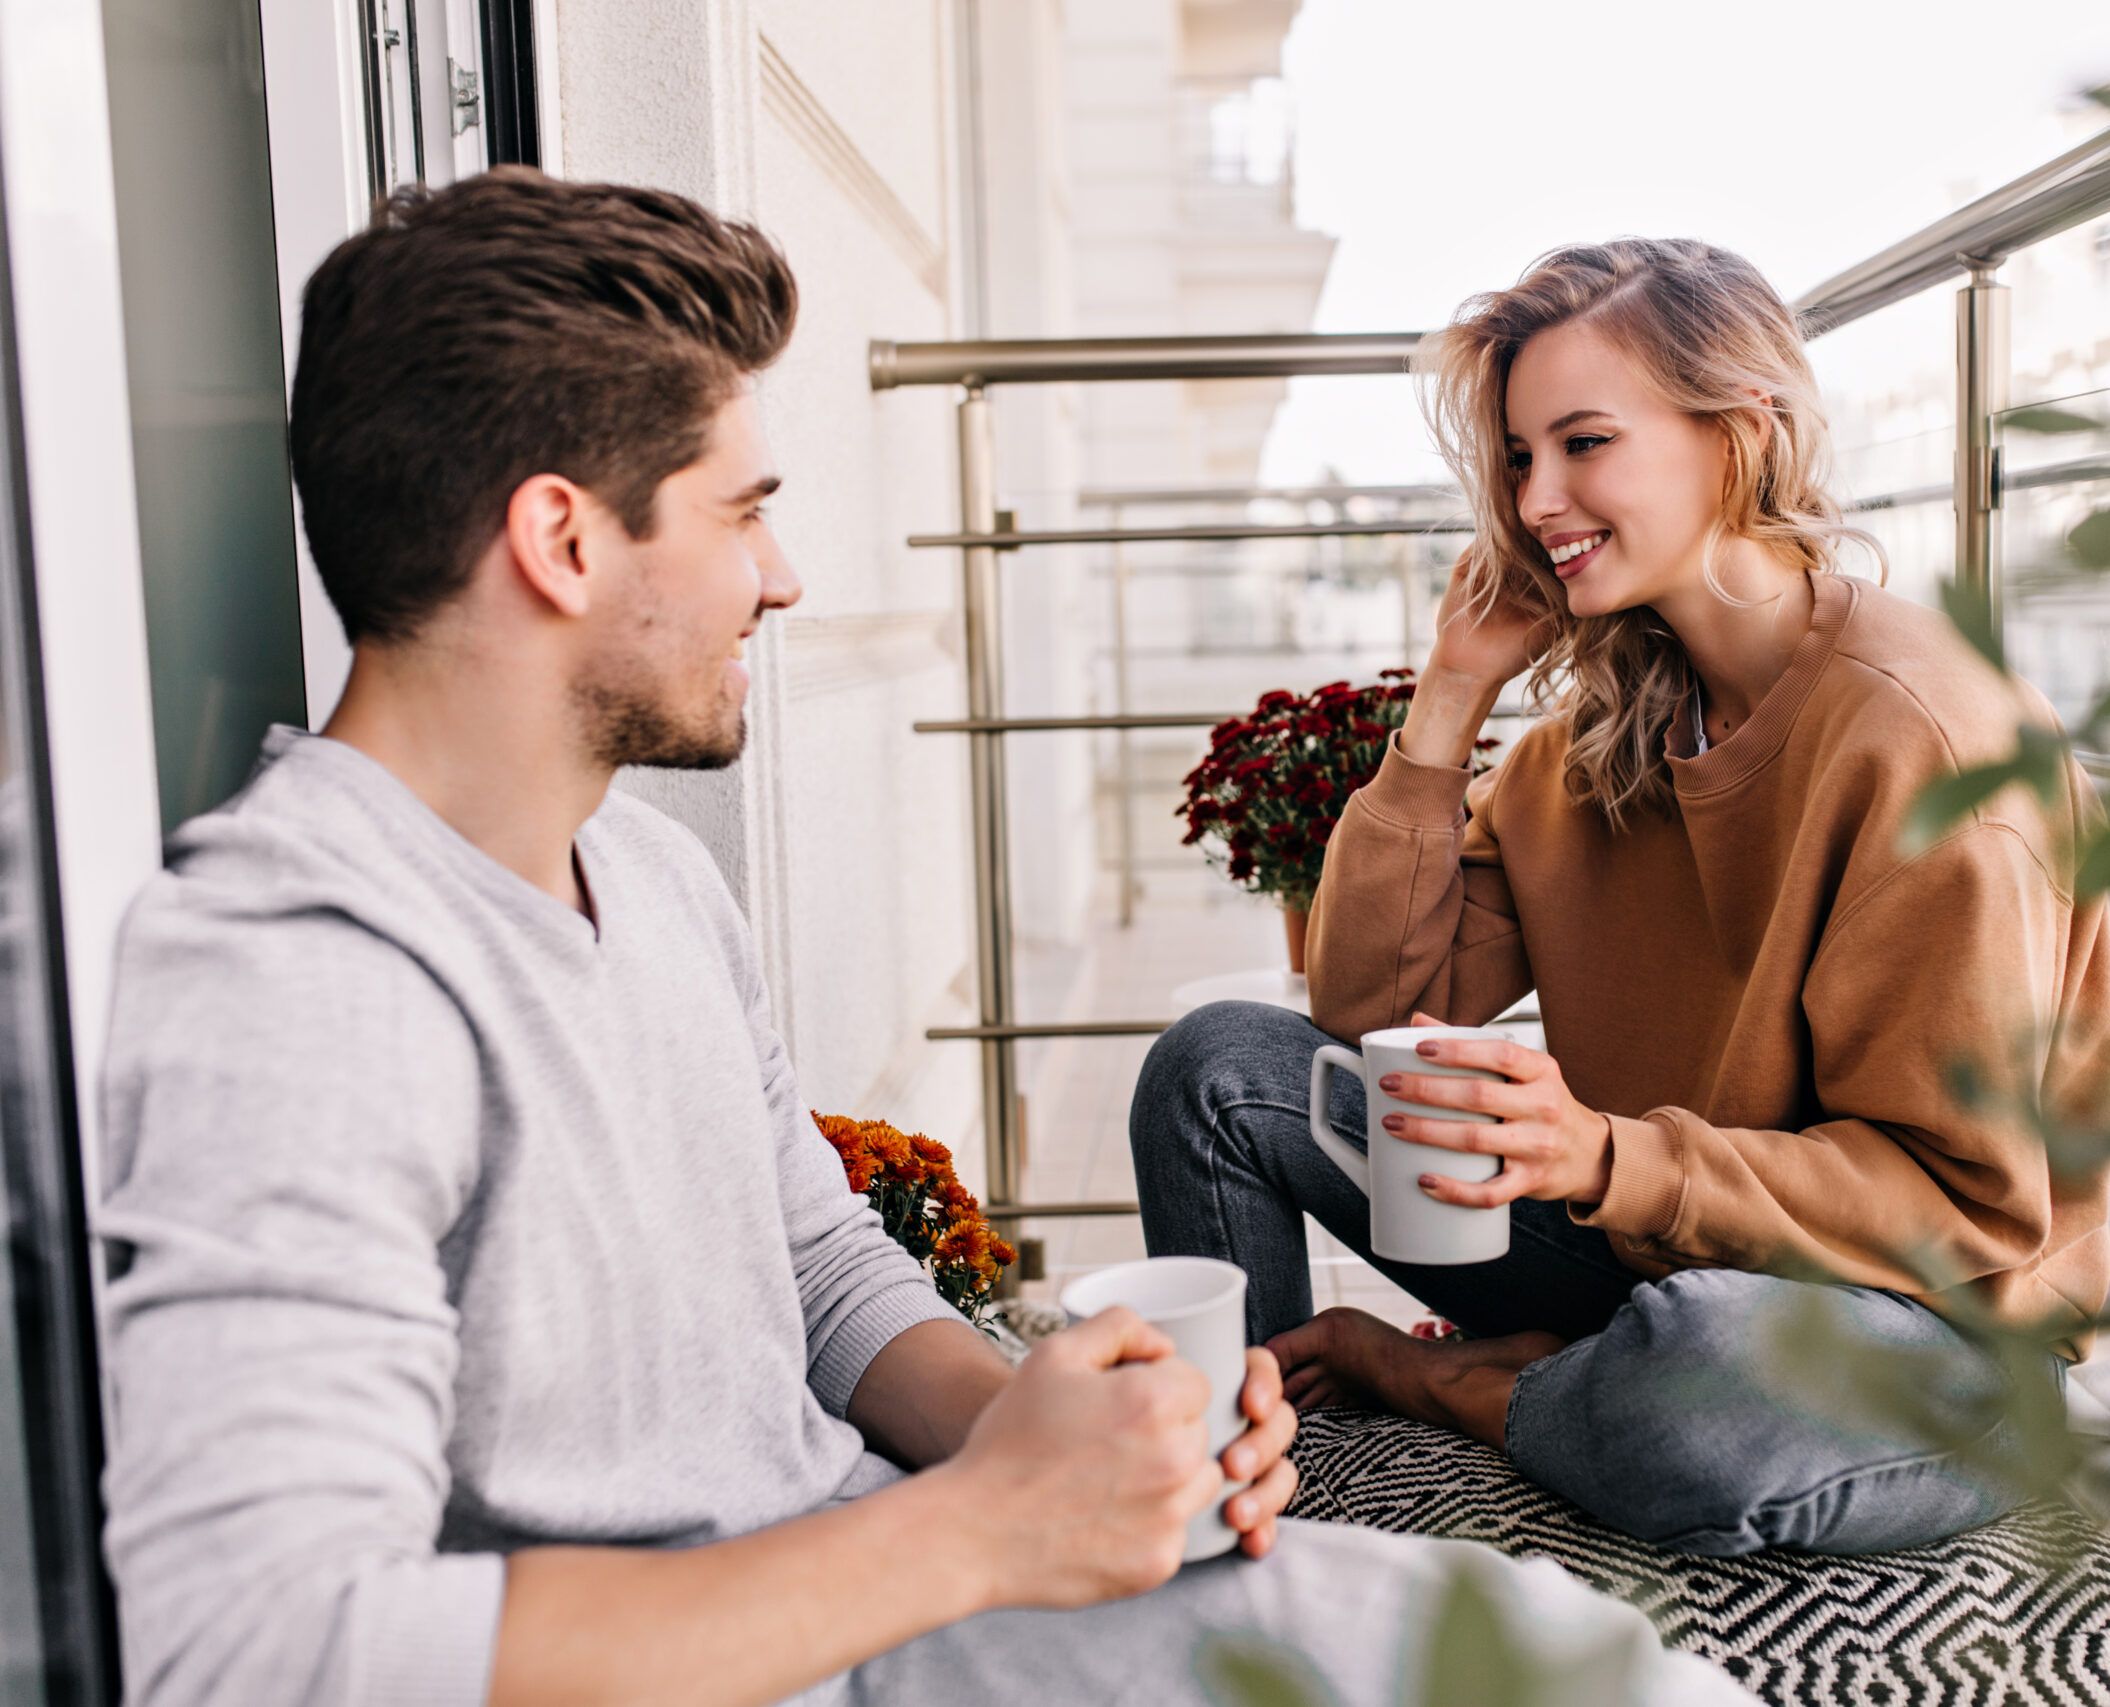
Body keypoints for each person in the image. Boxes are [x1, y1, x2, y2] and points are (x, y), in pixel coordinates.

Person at [93, 175, 1745, 1707]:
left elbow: (817, 1272)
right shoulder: (296, 974)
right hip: (788, 1646)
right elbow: (256, 1651)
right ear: (563, 540)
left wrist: (1051, 1431)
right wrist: (976, 1532)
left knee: (1557, 1663)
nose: (785, 578)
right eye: (741, 513)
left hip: (880, 1600)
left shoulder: (651, 880)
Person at [1133, 238, 2110, 1559]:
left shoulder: (1926, 743)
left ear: (1741, 436)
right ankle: (1244, 1490)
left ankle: (1454, 1381)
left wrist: (1602, 1156)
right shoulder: (1592, 746)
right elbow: (1372, 1004)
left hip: (1923, 1328)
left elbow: (1961, 1206)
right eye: (1520, 456)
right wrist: (1449, 698)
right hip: (1657, 1254)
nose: (1540, 498)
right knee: (1217, 1070)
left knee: (1700, 1376)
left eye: (1585, 442)